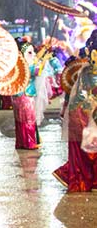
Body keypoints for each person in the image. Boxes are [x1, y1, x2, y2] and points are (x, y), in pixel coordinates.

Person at [53, 35, 97, 192]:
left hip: (82, 117)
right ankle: (77, 179)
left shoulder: (86, 69)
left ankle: (81, 179)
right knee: (86, 152)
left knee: (84, 153)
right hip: (82, 118)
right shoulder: (90, 72)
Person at [12, 37, 48, 150]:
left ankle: (21, 142)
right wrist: (45, 59)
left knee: (20, 120)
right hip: (26, 95)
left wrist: (43, 53)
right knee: (29, 118)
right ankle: (29, 142)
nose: (33, 55)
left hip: (18, 95)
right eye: (29, 53)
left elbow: (35, 59)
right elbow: (38, 71)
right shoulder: (26, 66)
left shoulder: (17, 65)